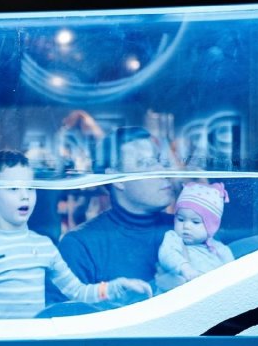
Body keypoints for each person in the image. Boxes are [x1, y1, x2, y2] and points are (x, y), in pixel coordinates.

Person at [0, 150, 124, 320]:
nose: (25, 196)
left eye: (30, 188)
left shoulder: (44, 245)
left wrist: (116, 287)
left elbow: (77, 291)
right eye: (13, 188)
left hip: (35, 337)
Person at [48, 126, 175, 310]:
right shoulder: (80, 246)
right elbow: (61, 318)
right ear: (118, 179)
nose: (162, 171)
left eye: (160, 161)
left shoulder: (189, 229)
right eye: (146, 163)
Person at [155, 182, 235, 293]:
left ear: (211, 226)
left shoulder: (220, 249)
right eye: (181, 219)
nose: (186, 226)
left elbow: (232, 273)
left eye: (195, 222)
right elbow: (167, 254)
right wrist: (185, 268)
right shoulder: (174, 238)